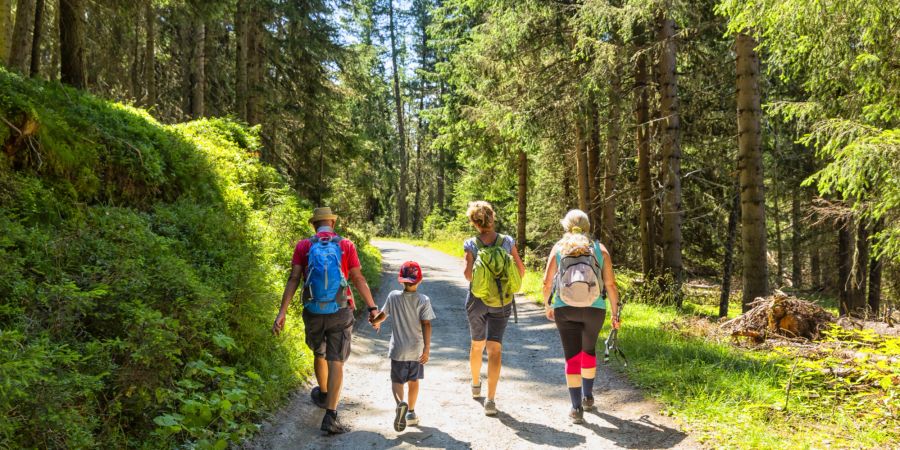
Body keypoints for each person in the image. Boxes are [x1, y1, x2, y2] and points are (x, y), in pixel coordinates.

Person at [272, 207, 380, 435]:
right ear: (332, 223)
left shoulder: (304, 245)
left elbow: (294, 278)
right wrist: (372, 308)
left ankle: (322, 392)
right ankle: (330, 415)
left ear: (314, 225)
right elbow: (358, 278)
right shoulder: (345, 245)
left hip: (313, 310)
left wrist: (282, 312)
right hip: (340, 310)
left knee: (319, 353)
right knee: (336, 360)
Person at [541, 209, 620, 424]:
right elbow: (611, 284)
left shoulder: (559, 248)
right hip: (595, 308)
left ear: (565, 226)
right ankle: (588, 396)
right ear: (588, 227)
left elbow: (547, 282)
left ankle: (576, 408)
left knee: (572, 356)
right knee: (588, 350)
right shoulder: (600, 249)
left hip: (565, 308)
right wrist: (615, 312)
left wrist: (548, 304)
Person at [462, 201, 526, 416]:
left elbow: (468, 275)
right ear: (492, 218)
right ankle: (491, 399)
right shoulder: (507, 242)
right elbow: (521, 271)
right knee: (495, 348)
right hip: (502, 300)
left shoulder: (471, 244)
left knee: (477, 344)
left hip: (477, 301)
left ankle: (475, 384)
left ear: (474, 222)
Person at [371, 261, 435, 432]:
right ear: (419, 281)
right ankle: (411, 413)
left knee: (397, 381)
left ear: (402, 281)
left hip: (398, 350)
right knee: (414, 381)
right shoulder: (423, 300)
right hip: (416, 351)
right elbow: (426, 324)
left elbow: (382, 316)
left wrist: (373, 321)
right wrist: (427, 348)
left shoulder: (393, 296)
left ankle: (401, 404)